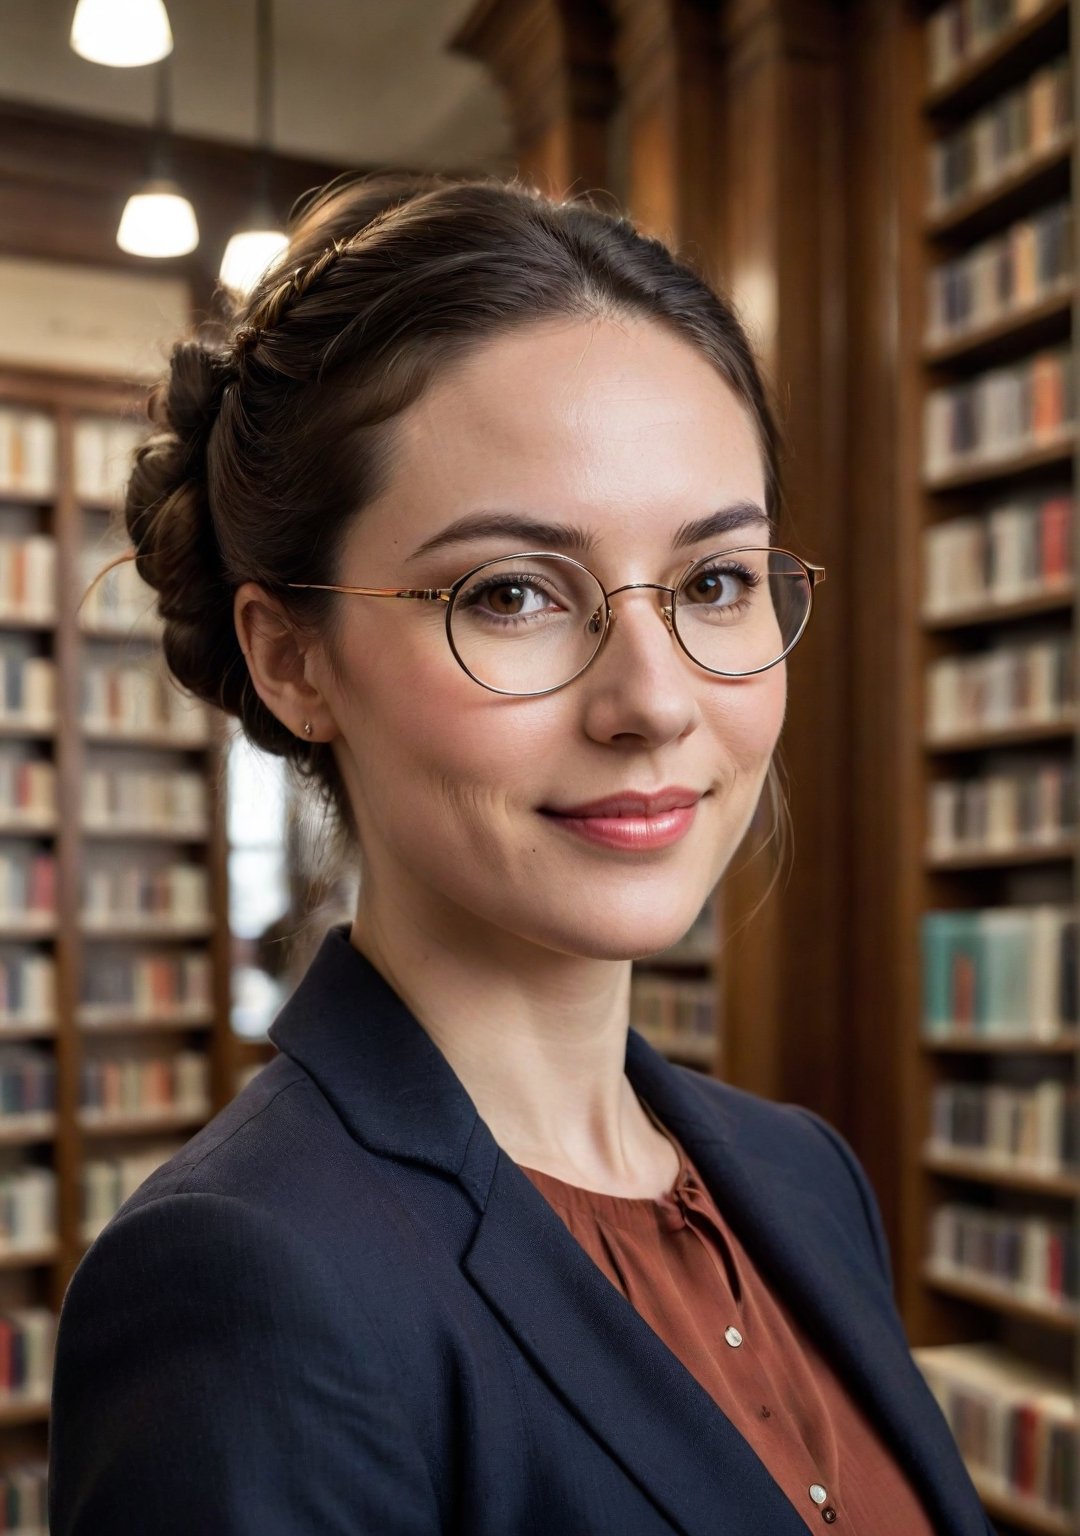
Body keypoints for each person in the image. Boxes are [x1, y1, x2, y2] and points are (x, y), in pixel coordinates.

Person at [49, 171, 992, 1536]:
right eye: (512, 595)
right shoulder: (245, 1280)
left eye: (715, 581)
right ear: (292, 658)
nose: (655, 701)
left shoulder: (801, 1176)